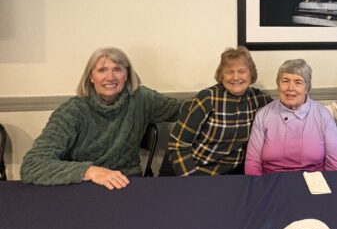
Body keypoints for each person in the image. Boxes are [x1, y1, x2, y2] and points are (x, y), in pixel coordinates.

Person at [20, 47, 181, 189]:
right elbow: (32, 165)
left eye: (117, 69)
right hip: (84, 185)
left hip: (127, 181)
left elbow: (185, 110)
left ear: (127, 75)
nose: (110, 77)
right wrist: (89, 171)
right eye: (102, 70)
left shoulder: (141, 99)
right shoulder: (72, 111)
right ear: (91, 76)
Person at [166, 47, 271, 176]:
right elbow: (178, 145)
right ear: (221, 76)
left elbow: (283, 109)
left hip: (232, 175)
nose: (236, 77)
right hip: (195, 170)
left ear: (251, 74)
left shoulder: (258, 99)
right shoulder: (207, 99)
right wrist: (192, 179)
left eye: (242, 71)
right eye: (229, 72)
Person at [245, 58, 337, 175]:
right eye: (285, 81)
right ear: (278, 85)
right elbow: (252, 162)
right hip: (271, 180)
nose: (290, 88)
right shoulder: (263, 115)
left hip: (314, 182)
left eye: (298, 82)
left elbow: (335, 165)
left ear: (306, 88)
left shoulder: (323, 115)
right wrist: (258, 184)